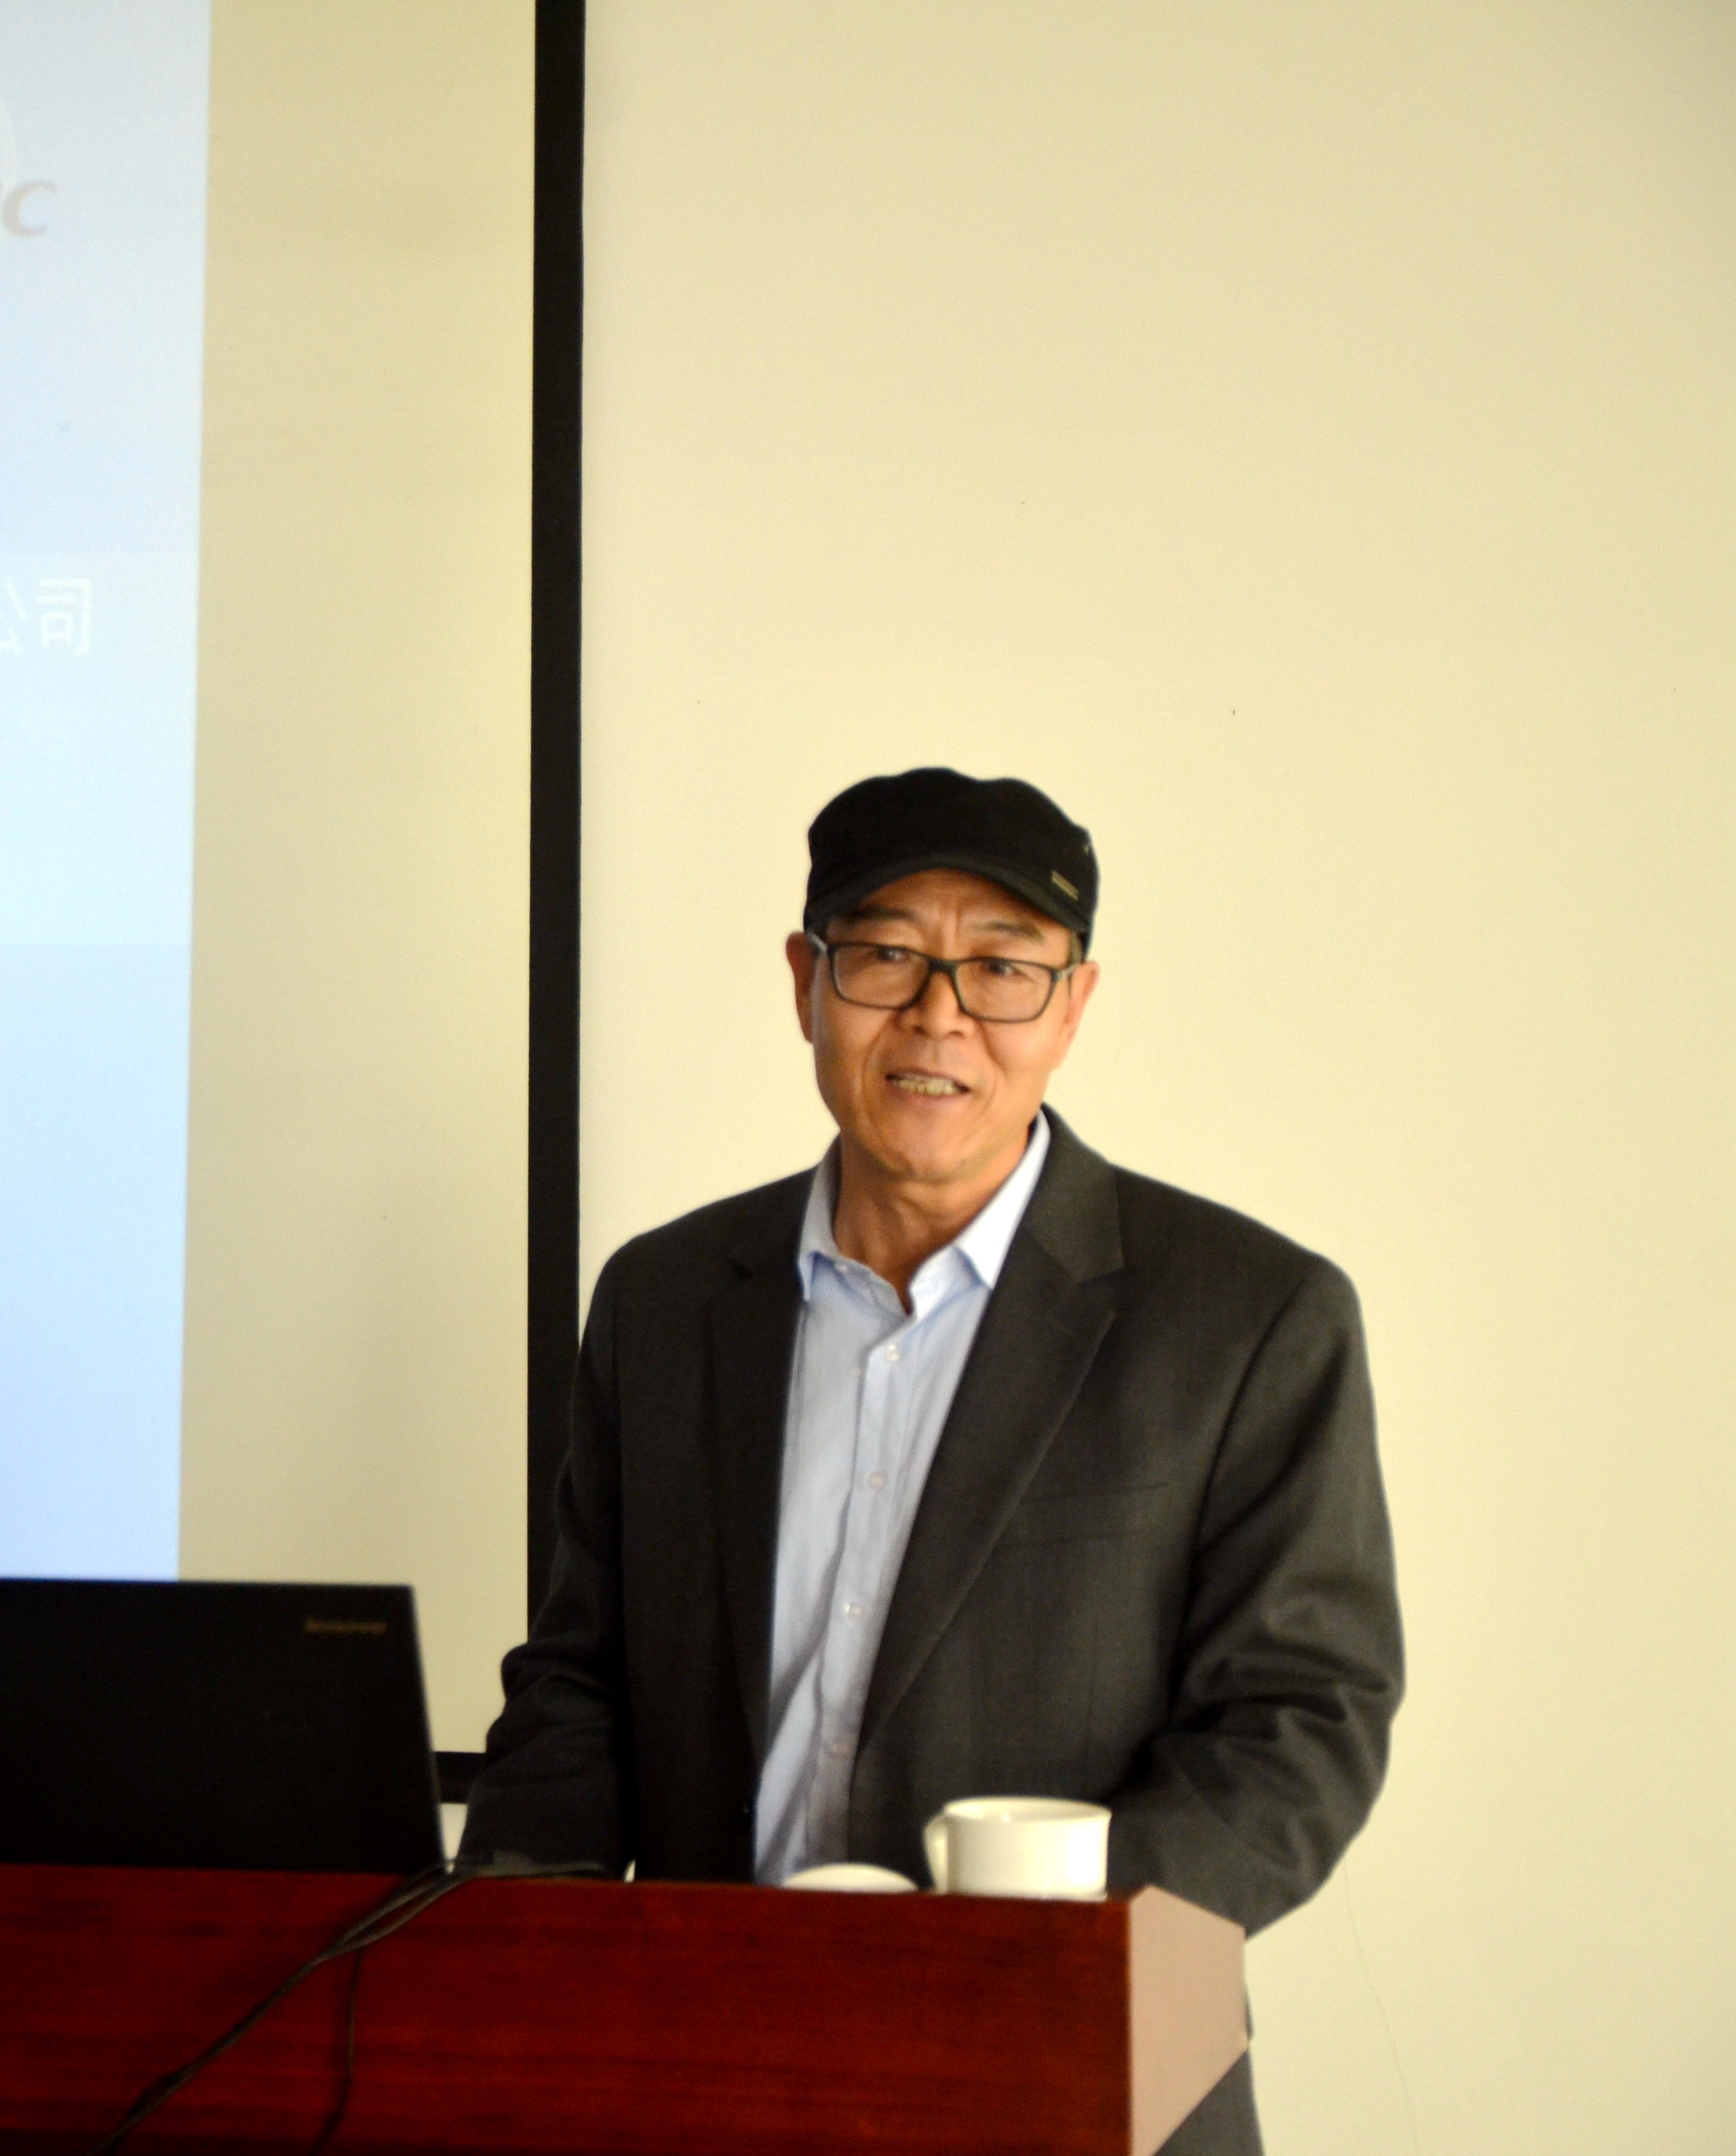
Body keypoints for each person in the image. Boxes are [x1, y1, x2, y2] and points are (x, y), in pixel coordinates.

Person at [460, 768, 1402, 2156]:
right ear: (807, 984)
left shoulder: (1250, 1316)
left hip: (1079, 2066)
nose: (938, 1015)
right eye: (887, 955)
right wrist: (506, 1954)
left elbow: (1303, 1725)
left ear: (1073, 1006)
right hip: (712, 2063)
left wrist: (1032, 1944)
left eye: (1002, 968)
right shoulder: (664, 1300)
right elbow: (581, 1679)